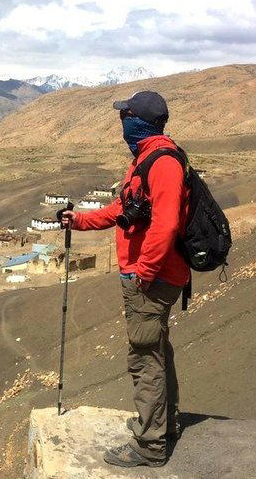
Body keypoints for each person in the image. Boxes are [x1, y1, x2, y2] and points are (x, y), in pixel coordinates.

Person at [59, 90, 190, 468]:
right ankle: (164, 426)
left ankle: (150, 445)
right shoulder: (145, 160)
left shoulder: (163, 164)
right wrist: (81, 220)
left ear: (141, 121)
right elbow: (123, 209)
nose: (122, 123)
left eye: (125, 116)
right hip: (146, 275)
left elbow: (165, 225)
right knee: (156, 350)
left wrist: (144, 274)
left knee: (145, 356)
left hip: (151, 279)